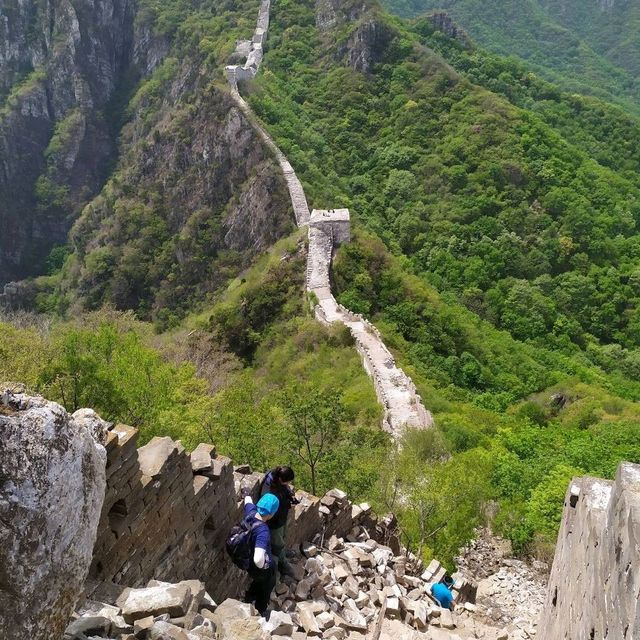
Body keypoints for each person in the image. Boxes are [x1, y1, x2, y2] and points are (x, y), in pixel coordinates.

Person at [242, 491, 280, 617]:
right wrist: (266, 565)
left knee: (257, 582)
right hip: (259, 567)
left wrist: (246, 493)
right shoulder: (262, 532)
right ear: (271, 513)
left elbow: (247, 501)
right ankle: (260, 610)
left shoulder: (251, 513)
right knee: (267, 586)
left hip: (248, 560)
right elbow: (258, 559)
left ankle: (248, 598)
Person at [260, 466, 298, 576]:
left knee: (283, 536)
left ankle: (283, 553)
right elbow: (267, 510)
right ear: (281, 479)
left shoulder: (277, 479)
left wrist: (290, 496)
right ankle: (283, 564)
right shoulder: (269, 491)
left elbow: (284, 490)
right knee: (277, 543)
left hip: (281, 517)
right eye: (288, 481)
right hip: (274, 522)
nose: (289, 483)